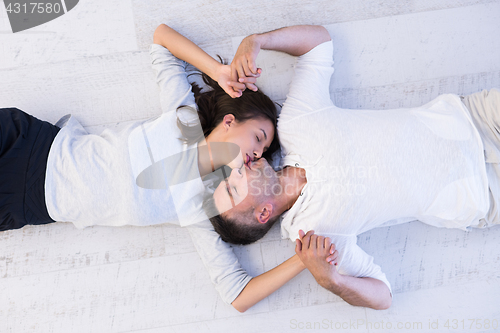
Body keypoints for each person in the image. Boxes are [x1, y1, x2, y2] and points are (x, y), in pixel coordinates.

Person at [200, 24, 500, 311]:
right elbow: (383, 296)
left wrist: (257, 41)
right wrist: (331, 280)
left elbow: (318, 43)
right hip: (484, 194)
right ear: (262, 213)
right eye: (231, 186)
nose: (235, 167)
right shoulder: (316, 238)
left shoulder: (295, 125)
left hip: (475, 118)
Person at [0, 24, 280, 232]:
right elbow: (161, 39)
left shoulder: (203, 204)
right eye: (259, 138)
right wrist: (218, 73)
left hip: (27, 202)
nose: (258, 153)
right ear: (230, 121)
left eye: (263, 152)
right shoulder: (185, 124)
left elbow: (236, 292)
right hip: (34, 146)